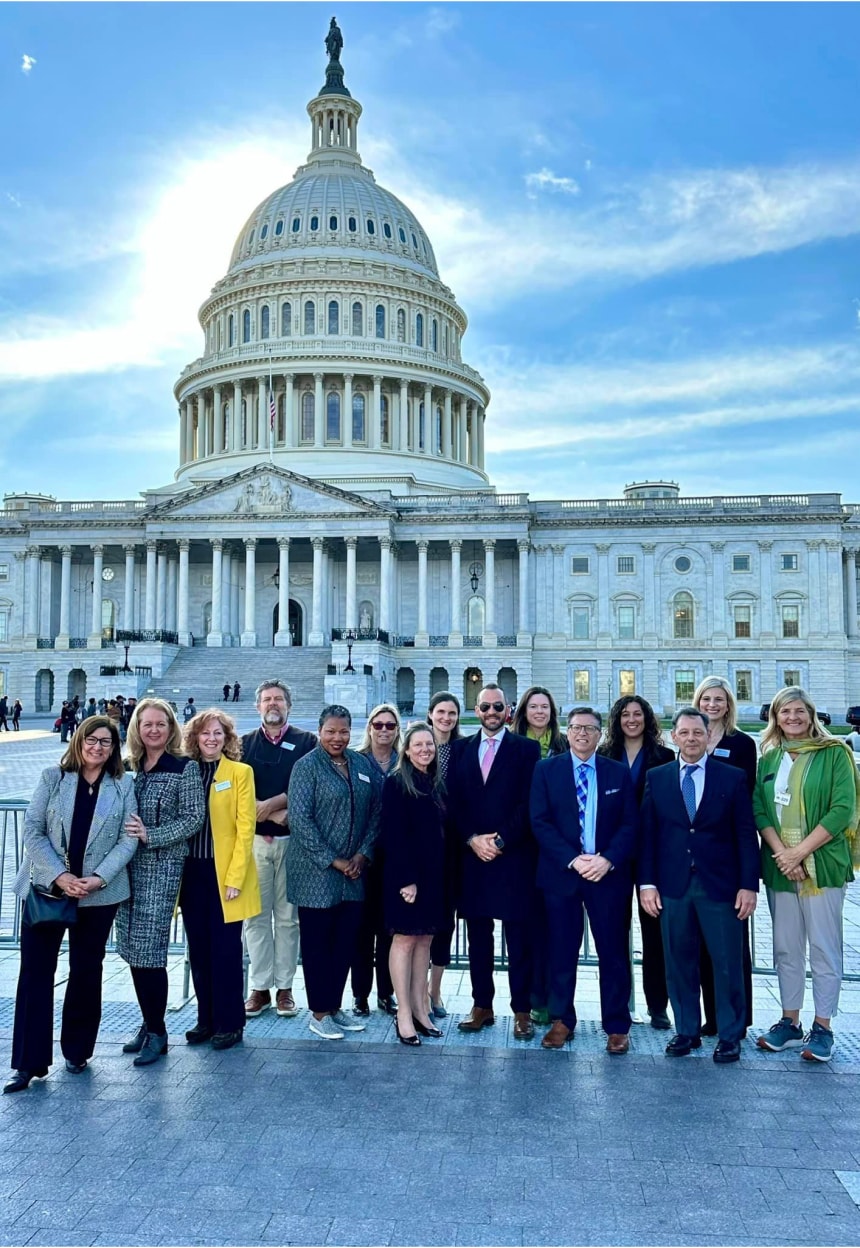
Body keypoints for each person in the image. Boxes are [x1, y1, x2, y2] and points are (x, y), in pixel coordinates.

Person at [4, 717, 137, 1093]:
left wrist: (97, 878)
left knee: (85, 970)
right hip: (49, 890)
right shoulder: (52, 778)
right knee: (34, 973)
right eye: (92, 740)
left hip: (99, 894)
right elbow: (32, 829)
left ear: (114, 749)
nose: (97, 747)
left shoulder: (124, 785)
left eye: (106, 742)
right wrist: (60, 876)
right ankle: (28, 1063)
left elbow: (128, 841)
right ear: (78, 741)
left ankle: (77, 1051)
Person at [639, 708, 759, 1064]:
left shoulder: (731, 777)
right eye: (684, 733)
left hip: (720, 886)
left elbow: (744, 835)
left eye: (697, 733)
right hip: (673, 885)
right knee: (679, 961)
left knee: (726, 963)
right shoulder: (657, 777)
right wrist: (647, 884)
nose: (691, 739)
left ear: (708, 737)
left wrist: (748, 886)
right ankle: (686, 1030)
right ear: (673, 737)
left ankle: (729, 1034)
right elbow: (648, 836)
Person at [753, 687, 859, 1063]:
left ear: (811, 714)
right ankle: (790, 1021)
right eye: (785, 712)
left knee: (824, 948)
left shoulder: (835, 754)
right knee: (785, 947)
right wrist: (784, 855)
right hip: (782, 869)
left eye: (799, 711)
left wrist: (800, 851)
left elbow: (842, 808)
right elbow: (760, 810)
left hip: (823, 867)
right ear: (776, 718)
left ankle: (824, 1026)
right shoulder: (769, 758)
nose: (792, 718)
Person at [530, 707, 639, 1054]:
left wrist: (606, 860)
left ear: (600, 734)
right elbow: (540, 821)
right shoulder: (546, 770)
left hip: (606, 876)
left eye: (590, 729)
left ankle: (617, 1025)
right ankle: (562, 1019)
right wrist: (573, 859)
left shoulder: (617, 773)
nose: (582, 734)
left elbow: (630, 824)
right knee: (561, 950)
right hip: (563, 875)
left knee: (613, 952)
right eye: (576, 728)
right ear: (567, 731)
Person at [447, 683, 541, 1040]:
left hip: (513, 856)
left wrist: (501, 840)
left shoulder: (526, 750)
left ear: (508, 711)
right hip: (473, 857)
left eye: (497, 707)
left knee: (519, 939)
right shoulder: (459, 750)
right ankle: (481, 1005)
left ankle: (522, 1010)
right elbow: (452, 802)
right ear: (476, 709)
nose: (490, 713)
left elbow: (529, 802)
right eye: (484, 707)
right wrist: (472, 839)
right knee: (479, 940)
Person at [117, 697, 205, 1066]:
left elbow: (193, 818)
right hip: (124, 867)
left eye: (161, 724)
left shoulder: (183, 767)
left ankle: (158, 1032)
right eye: (146, 724)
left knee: (149, 950)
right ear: (137, 728)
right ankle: (147, 1021)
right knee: (131, 949)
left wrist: (150, 835)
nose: (153, 730)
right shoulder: (127, 766)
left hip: (162, 867)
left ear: (171, 729)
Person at [286, 705, 381, 1039]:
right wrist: (334, 860)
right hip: (316, 873)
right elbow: (300, 820)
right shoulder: (306, 767)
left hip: (354, 873)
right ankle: (319, 1012)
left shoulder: (360, 764)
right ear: (320, 730)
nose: (337, 738)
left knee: (345, 944)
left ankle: (335, 1006)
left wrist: (362, 854)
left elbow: (375, 812)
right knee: (317, 945)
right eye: (330, 731)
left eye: (343, 731)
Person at [180, 709, 261, 1050]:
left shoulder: (240, 773)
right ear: (194, 739)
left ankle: (230, 1022)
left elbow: (246, 829)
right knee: (198, 950)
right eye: (204, 734)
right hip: (191, 873)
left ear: (228, 739)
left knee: (225, 951)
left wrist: (236, 877)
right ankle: (206, 1018)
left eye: (218, 734)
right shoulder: (185, 771)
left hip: (225, 873)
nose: (211, 739)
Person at [599, 695, 675, 1030]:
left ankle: (658, 1005)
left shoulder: (664, 757)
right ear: (616, 719)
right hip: (614, 856)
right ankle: (619, 1006)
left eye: (638, 714)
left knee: (655, 934)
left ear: (647, 718)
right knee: (615, 933)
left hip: (650, 855)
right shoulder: (603, 755)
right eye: (625, 714)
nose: (632, 720)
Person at [241, 680, 316, 1020]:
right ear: (258, 706)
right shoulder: (242, 744)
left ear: (289, 705)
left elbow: (306, 785)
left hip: (291, 844)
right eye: (267, 699)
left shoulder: (306, 742)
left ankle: (284, 988)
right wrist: (273, 814)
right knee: (255, 919)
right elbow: (238, 793)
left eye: (279, 700)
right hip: (255, 843)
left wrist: (270, 804)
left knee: (288, 920)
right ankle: (259, 987)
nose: (273, 704)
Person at [692, 676, 757, 1036]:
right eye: (706, 699)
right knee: (701, 941)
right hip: (696, 854)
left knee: (732, 943)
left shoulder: (742, 743)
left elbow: (743, 801)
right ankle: (712, 1016)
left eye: (719, 700)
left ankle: (738, 1017)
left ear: (728, 704)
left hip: (728, 853)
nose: (712, 705)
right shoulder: (692, 737)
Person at [382, 724, 447, 1046]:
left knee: (425, 942)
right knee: (406, 941)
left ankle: (422, 1009)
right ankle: (404, 1013)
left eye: (430, 744)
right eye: (418, 745)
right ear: (406, 750)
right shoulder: (396, 783)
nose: (425, 750)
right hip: (407, 879)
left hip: (435, 877)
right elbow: (394, 835)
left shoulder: (436, 783)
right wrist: (408, 880)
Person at [511, 686, 568, 1027]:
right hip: (520, 849)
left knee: (552, 930)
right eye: (533, 706)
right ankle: (525, 1003)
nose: (539, 711)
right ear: (523, 710)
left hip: (555, 850)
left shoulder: (563, 745)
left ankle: (549, 999)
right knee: (521, 930)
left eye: (545, 706)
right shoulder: (512, 746)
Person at [350, 704, 402, 1017]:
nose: (384, 730)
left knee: (388, 930)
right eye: (378, 725)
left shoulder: (403, 761)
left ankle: (386, 992)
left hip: (393, 857)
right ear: (369, 727)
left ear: (397, 730)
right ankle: (360, 995)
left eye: (390, 726)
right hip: (360, 856)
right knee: (361, 930)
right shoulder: (356, 759)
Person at [426, 691, 462, 1018]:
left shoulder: (463, 750)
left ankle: (435, 991)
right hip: (421, 849)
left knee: (444, 923)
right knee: (416, 923)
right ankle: (413, 991)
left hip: (452, 849)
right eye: (441, 712)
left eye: (452, 713)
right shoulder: (415, 748)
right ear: (430, 714)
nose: (446, 718)